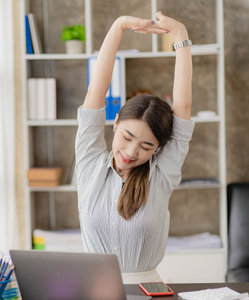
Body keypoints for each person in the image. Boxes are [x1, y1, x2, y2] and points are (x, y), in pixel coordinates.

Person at [75, 12, 195, 284]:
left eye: (146, 146)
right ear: (115, 123)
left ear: (158, 148)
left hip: (147, 290)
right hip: (93, 290)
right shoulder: (89, 162)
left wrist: (181, 36)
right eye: (127, 137)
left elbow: (183, 107)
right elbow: (96, 90)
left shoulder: (162, 174)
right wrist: (118, 26)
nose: (131, 152)